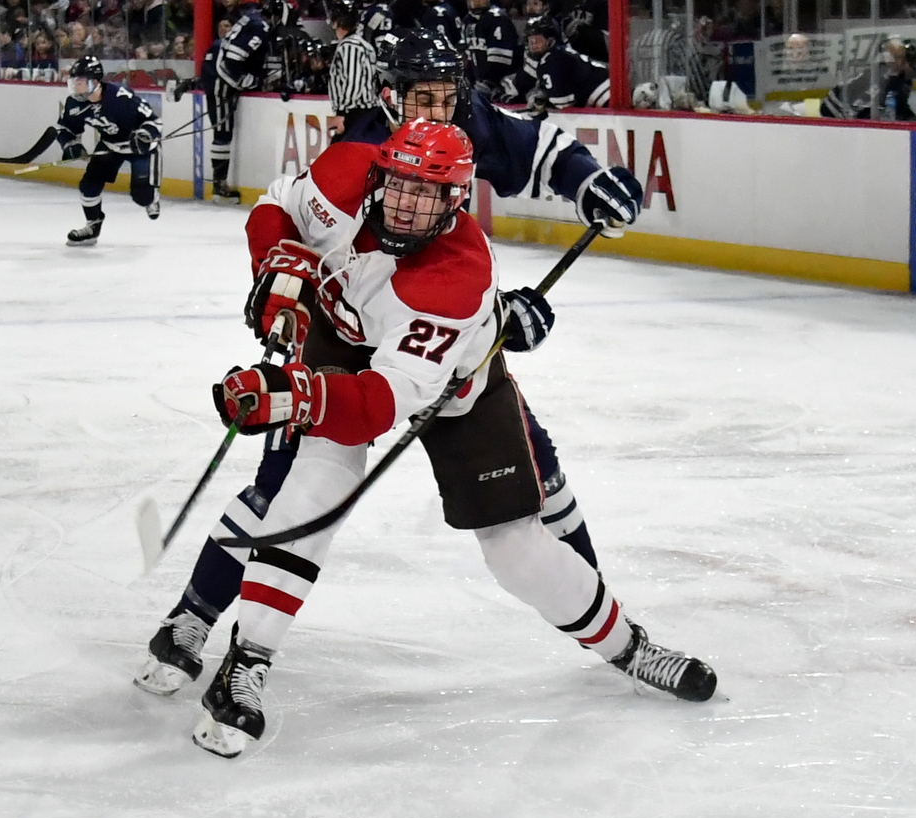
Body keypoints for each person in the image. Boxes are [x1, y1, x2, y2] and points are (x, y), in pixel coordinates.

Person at [138, 120, 711, 758]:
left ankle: (628, 646)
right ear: (378, 175)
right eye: (400, 186)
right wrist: (275, 262)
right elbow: (276, 206)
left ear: (457, 202)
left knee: (515, 547)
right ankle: (246, 666)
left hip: (454, 389)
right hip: (340, 339)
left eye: (429, 194)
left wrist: (294, 395)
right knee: (315, 488)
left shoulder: (451, 279)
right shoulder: (342, 173)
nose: (408, 205)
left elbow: (381, 403)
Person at [6, 57, 162, 245]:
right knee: (89, 185)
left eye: (81, 83)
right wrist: (71, 145)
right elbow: (65, 129)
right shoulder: (75, 103)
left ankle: (151, 198)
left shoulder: (121, 97)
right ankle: (92, 226)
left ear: (95, 83)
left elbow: (155, 121)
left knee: (142, 197)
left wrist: (145, 135)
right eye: (74, 83)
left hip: (142, 149)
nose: (76, 88)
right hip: (110, 146)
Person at [201, 0, 270, 200]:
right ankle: (219, 184)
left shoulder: (243, 26)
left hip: (221, 83)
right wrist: (243, 81)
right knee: (222, 133)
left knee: (222, 132)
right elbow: (228, 64)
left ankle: (218, 183)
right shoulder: (255, 27)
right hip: (221, 85)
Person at [326, 3, 388, 140]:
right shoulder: (365, 45)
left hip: (355, 114)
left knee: (340, 155)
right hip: (365, 113)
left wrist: (342, 113)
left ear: (336, 23)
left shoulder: (349, 46)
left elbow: (353, 83)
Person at [523, 12, 607, 109]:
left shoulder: (551, 60)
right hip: (609, 86)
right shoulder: (560, 52)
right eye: (531, 41)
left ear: (551, 40)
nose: (534, 46)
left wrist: (542, 100)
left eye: (538, 41)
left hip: (605, 94)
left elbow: (564, 104)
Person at [459, 0, 519, 96]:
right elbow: (469, 58)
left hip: (505, 84)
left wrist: (490, 84)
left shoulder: (497, 18)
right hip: (480, 83)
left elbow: (500, 62)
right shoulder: (467, 20)